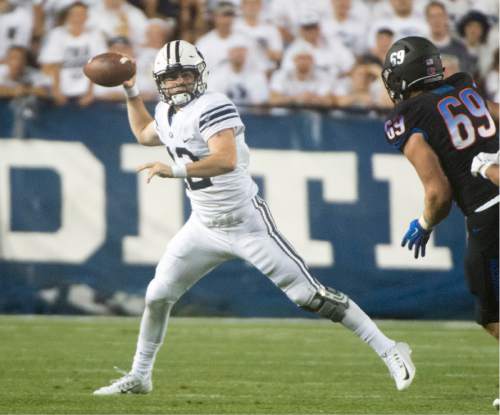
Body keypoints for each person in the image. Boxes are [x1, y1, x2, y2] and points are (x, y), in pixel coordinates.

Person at [93, 39, 416, 395]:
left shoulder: (213, 105)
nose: (182, 82)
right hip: (203, 226)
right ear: (161, 81)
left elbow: (225, 158)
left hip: (247, 224)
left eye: (187, 74)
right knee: (156, 295)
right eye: (173, 77)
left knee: (310, 296)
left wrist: (174, 169)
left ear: (199, 74)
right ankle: (140, 375)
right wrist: (130, 91)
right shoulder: (167, 113)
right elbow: (142, 134)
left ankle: (390, 348)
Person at [381, 37, 499, 341]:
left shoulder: (407, 116)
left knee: (492, 314)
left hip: (488, 213)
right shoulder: (463, 86)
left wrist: (424, 223)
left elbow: (439, 193)